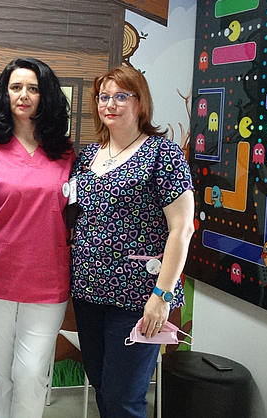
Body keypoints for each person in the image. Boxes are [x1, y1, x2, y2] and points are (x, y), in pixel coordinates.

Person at [69, 64, 194, 418]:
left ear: (140, 103)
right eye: (103, 97)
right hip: (89, 294)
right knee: (102, 386)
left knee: (125, 398)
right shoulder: (87, 156)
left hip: (140, 297)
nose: (110, 104)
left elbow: (182, 228)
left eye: (121, 96)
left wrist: (161, 296)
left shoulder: (162, 154)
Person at [0, 57, 75, 418]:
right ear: (4, 94)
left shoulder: (65, 153)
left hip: (48, 279)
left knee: (31, 373)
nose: (23, 95)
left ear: (46, 96)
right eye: (15, 87)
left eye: (33, 88)